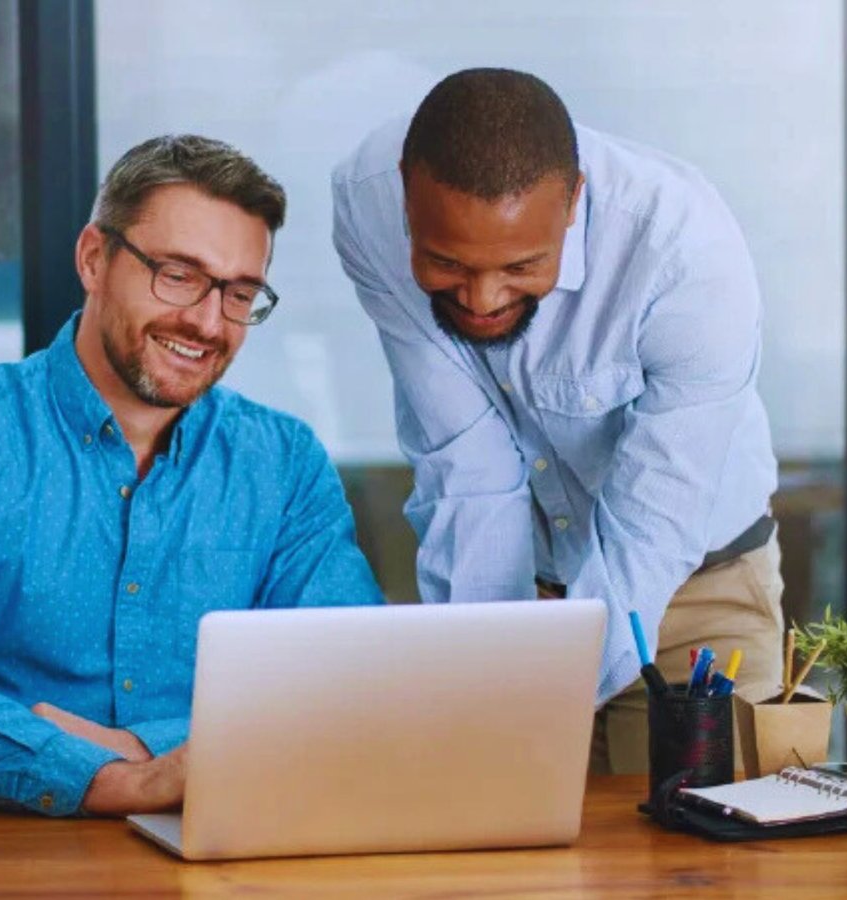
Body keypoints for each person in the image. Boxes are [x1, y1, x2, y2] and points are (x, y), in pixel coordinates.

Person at [0, 134, 383, 816]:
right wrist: (108, 780)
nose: (208, 321)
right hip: (4, 859)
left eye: (239, 293)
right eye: (179, 276)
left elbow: (348, 681)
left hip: (224, 852)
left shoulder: (284, 466)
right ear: (95, 259)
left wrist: (139, 747)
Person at [332, 68, 783, 774]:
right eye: (446, 264)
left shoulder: (686, 256)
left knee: (693, 871)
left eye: (520, 267)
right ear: (404, 192)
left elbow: (653, 527)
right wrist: (493, 674)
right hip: (517, 594)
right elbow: (466, 466)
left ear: (573, 201)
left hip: (694, 593)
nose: (481, 298)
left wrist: (531, 693)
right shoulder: (365, 204)